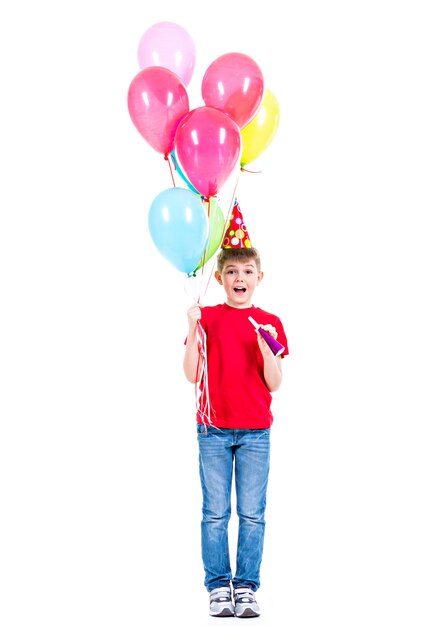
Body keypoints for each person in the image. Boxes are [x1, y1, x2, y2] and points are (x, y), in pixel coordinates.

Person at [183, 204, 288, 618]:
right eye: (231, 272)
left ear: (258, 278)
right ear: (219, 277)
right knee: (214, 513)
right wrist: (192, 329)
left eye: (247, 271)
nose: (239, 278)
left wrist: (265, 348)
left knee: (252, 514)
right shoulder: (207, 318)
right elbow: (192, 374)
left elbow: (275, 382)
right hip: (212, 429)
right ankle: (217, 587)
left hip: (255, 432)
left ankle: (245, 586)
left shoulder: (270, 322)